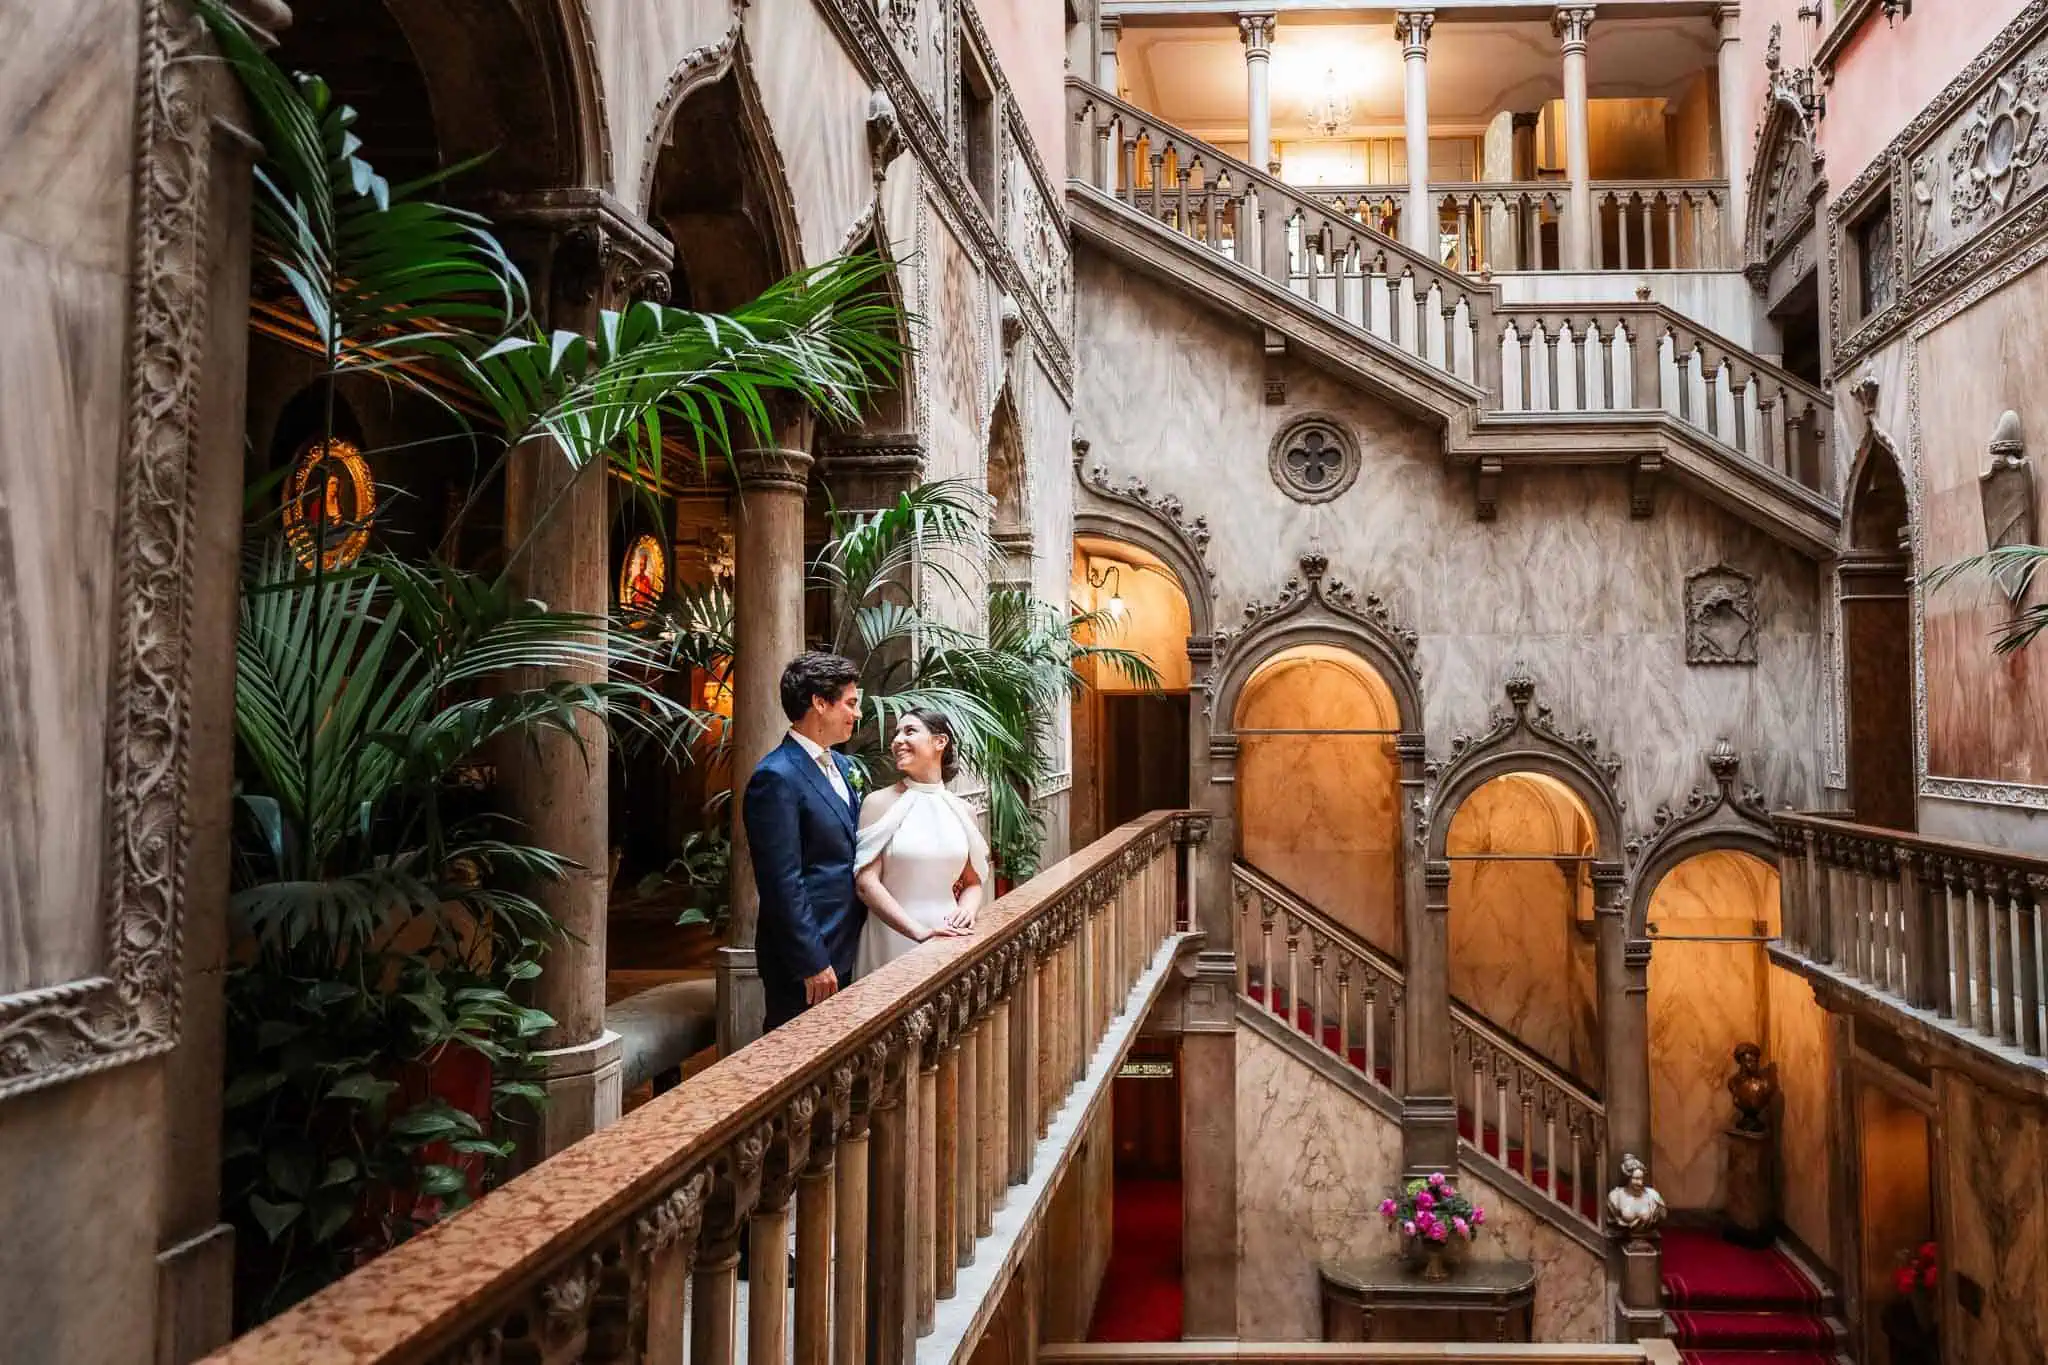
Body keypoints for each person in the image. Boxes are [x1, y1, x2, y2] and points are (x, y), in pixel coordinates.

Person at [743, 652, 865, 1030]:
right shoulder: (775, 776)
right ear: (819, 703)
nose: (856, 714)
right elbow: (782, 881)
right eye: (850, 703)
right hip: (809, 961)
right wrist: (812, 961)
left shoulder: (844, 767)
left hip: (852, 944)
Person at [853, 710, 990, 976]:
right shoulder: (878, 803)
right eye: (896, 733)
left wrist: (966, 911)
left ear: (940, 742)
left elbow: (973, 881)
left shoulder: (964, 810)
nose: (897, 740)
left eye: (910, 731)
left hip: (947, 938)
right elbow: (866, 884)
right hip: (890, 936)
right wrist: (918, 933)